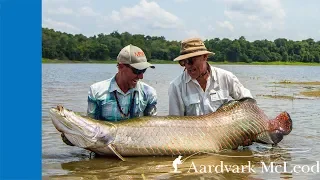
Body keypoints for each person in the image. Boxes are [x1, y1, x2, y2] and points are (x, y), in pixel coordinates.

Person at [61, 44, 157, 146]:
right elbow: (92, 128)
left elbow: (152, 131)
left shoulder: (149, 93)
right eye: (137, 71)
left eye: (143, 70)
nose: (141, 76)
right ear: (121, 67)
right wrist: (73, 136)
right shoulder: (97, 91)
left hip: (137, 147)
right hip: (105, 148)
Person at [168, 38, 253, 116]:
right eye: (183, 62)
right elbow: (175, 123)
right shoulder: (176, 86)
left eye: (191, 60)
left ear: (205, 57)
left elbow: (249, 101)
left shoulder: (226, 77)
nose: (188, 66)